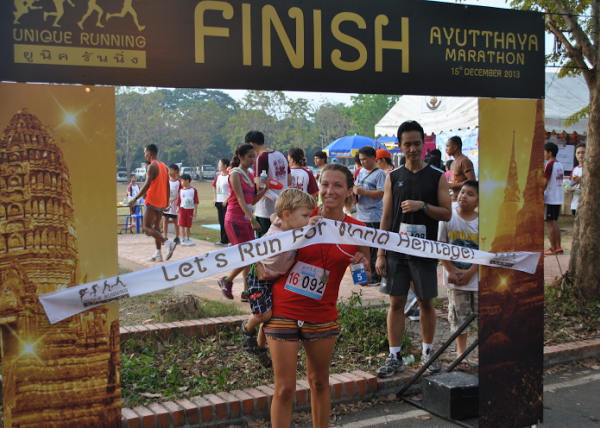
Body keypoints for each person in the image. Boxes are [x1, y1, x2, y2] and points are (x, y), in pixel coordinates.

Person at [265, 163, 371, 428]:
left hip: (322, 313)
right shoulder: (300, 216)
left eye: (337, 185)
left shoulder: (358, 229)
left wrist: (362, 264)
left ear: (349, 191)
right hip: (283, 308)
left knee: (320, 382)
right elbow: (268, 247)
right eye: (325, 184)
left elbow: (363, 275)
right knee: (285, 389)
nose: (329, 191)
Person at [376, 120, 452, 378]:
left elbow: (447, 214)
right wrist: (380, 253)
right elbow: (386, 218)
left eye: (417, 143)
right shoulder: (393, 177)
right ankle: (394, 356)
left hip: (425, 251)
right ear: (399, 146)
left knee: (425, 302)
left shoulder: (437, 176)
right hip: (396, 252)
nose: (412, 149)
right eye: (407, 144)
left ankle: (428, 353)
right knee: (396, 302)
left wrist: (424, 206)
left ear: (423, 144)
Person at [241, 189, 316, 367]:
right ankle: (246, 328)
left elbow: (275, 214)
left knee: (269, 316)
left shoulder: (288, 226)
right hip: (259, 278)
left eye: (309, 215)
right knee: (265, 314)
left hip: (275, 277)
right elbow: (249, 254)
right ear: (288, 215)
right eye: (305, 215)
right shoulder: (277, 237)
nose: (308, 220)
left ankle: (260, 349)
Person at [219, 144, 270, 301]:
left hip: (246, 219)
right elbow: (240, 199)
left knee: (249, 254)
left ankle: (246, 291)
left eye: (253, 156)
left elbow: (250, 200)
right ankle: (226, 280)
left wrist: (264, 190)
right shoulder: (235, 174)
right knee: (248, 255)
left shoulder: (248, 174)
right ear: (240, 157)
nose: (252, 159)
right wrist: (253, 219)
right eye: (249, 156)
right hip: (235, 219)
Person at [438, 180, 479, 369]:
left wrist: (472, 271)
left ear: (479, 201)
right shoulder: (447, 219)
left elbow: (486, 251)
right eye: (462, 192)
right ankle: (461, 353)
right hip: (455, 280)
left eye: (470, 194)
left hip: (477, 280)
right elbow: (441, 247)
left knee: (481, 315)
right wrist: (450, 271)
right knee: (459, 316)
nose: (463, 196)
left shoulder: (482, 222)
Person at [129, 144, 176, 262]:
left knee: (146, 226)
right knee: (156, 227)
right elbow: (167, 185)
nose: (145, 155)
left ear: (150, 153)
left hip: (152, 200)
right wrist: (166, 201)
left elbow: (146, 185)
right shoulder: (164, 166)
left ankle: (167, 243)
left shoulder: (152, 166)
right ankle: (158, 253)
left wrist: (134, 198)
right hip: (161, 201)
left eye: (145, 153)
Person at [246, 131, 290, 237]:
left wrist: (276, 198)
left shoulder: (261, 159)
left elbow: (259, 187)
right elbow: (289, 181)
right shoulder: (281, 155)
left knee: (265, 247)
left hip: (266, 211)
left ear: (251, 144)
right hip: (283, 210)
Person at [354, 146, 387, 286]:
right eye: (360, 160)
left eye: (365, 159)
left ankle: (375, 277)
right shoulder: (360, 171)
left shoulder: (380, 174)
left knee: (373, 250)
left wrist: (364, 192)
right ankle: (361, 278)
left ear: (374, 158)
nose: (362, 162)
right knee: (360, 248)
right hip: (360, 215)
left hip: (373, 216)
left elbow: (382, 193)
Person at [544, 142, 565, 255]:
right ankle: (558, 246)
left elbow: (545, 181)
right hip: (558, 198)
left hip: (551, 198)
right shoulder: (560, 165)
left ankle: (553, 248)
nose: (544, 154)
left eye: (545, 152)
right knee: (554, 222)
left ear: (550, 153)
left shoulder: (549, 165)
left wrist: (540, 192)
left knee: (550, 223)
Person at [445, 136, 476, 202]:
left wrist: (453, 185)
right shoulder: (452, 163)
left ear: (455, 147)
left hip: (462, 200)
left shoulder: (464, 161)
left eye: (448, 146)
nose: (446, 149)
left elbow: (472, 181)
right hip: (453, 199)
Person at [175, 174, 198, 246]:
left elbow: (196, 201)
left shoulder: (193, 190)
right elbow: (179, 200)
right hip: (182, 209)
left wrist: (195, 211)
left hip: (190, 210)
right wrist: (178, 208)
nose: (181, 182)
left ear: (187, 181)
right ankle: (183, 239)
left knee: (188, 225)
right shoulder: (181, 190)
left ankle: (187, 238)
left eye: (182, 181)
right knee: (182, 225)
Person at [213, 158, 231, 246]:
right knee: (221, 221)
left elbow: (233, 190)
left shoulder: (230, 176)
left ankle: (230, 240)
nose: (218, 166)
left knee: (228, 222)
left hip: (227, 202)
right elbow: (214, 186)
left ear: (225, 166)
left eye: (220, 164)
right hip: (219, 202)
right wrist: (215, 198)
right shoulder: (218, 176)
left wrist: (226, 199)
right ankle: (223, 240)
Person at [163, 164, 181, 245]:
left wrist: (174, 199)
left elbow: (181, 193)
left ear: (176, 171)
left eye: (171, 170)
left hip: (175, 204)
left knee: (175, 220)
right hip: (166, 203)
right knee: (165, 219)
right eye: (168, 170)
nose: (169, 172)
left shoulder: (179, 182)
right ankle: (165, 237)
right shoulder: (166, 180)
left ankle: (177, 237)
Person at [568, 143, 585, 216]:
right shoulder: (574, 169)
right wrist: (569, 188)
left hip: (587, 204)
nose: (581, 155)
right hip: (575, 204)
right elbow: (569, 185)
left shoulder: (591, 169)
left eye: (583, 152)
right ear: (575, 154)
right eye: (578, 153)